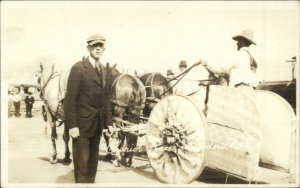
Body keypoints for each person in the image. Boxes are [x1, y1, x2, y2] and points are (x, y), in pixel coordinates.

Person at [64, 34, 113, 183]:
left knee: (92, 165)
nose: (97, 48)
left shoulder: (105, 70)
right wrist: (72, 126)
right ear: (88, 48)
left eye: (100, 46)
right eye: (94, 45)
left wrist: (109, 123)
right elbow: (70, 99)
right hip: (81, 127)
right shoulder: (79, 68)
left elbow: (106, 100)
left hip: (97, 126)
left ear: (104, 48)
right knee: (82, 165)